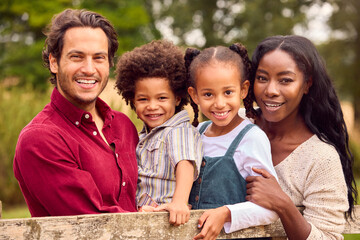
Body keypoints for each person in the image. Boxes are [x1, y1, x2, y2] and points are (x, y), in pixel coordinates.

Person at [13, 9, 139, 217]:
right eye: (77, 57)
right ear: (54, 62)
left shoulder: (124, 125)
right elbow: (90, 223)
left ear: (109, 64)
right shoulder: (40, 139)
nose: (89, 69)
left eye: (98, 58)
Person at [244, 35, 357, 240]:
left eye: (285, 80)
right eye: (262, 78)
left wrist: (282, 204)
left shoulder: (321, 158)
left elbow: (328, 237)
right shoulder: (237, 125)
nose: (270, 90)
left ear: (307, 85)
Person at [186, 43, 279, 240]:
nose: (219, 103)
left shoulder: (251, 139)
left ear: (243, 90)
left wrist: (227, 213)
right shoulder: (195, 134)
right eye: (208, 94)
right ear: (194, 95)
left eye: (228, 92)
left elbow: (271, 208)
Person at [115, 40, 203, 226]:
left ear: (177, 97)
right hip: (147, 217)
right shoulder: (142, 136)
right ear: (132, 100)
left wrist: (179, 201)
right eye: (143, 99)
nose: (152, 106)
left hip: (171, 219)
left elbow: (185, 164)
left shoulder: (178, 131)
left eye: (162, 98)